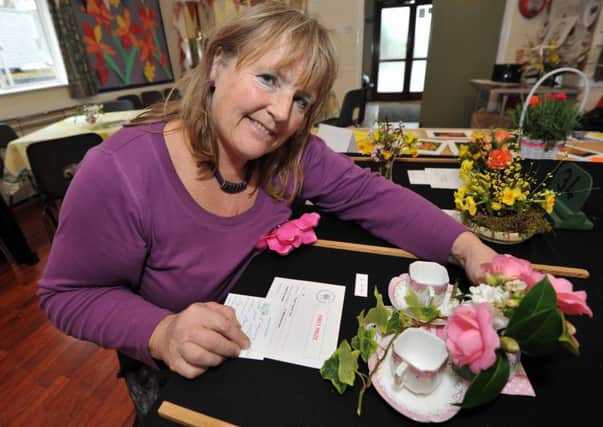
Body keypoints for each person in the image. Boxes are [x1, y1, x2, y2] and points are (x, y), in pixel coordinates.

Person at [38, 2, 497, 420]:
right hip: (182, 375)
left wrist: (467, 247)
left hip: (266, 336)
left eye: (301, 100)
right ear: (218, 63)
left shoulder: (292, 153)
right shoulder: (120, 172)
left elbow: (373, 196)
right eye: (269, 78)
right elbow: (68, 295)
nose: (281, 112)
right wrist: (160, 331)